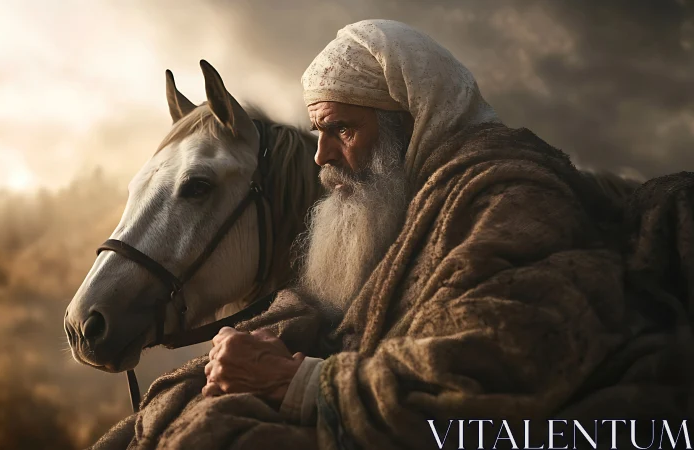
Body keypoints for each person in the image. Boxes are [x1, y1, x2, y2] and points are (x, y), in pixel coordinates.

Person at [92, 20, 693, 450]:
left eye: (342, 130)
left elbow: (508, 347)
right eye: (317, 133)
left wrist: (292, 378)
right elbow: (343, 308)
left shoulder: (505, 193)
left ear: (411, 121)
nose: (321, 158)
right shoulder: (399, 199)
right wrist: (258, 340)